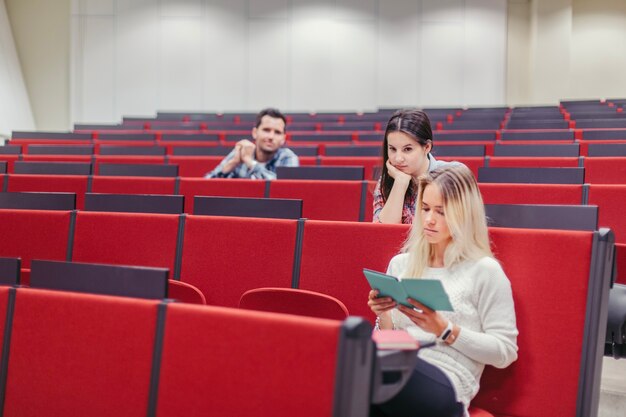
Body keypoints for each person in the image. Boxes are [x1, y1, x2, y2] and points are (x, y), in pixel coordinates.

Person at [368, 164, 518, 417]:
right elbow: (388, 343)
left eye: (441, 211)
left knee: (364, 370)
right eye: (425, 208)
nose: (429, 219)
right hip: (396, 373)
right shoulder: (401, 263)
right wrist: (383, 315)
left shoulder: (485, 271)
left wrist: (446, 330)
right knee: (355, 368)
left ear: (463, 215)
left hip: (446, 382)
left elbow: (505, 352)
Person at [373, 109, 458, 224]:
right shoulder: (386, 181)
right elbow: (381, 234)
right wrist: (400, 183)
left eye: (407, 149)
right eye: (392, 149)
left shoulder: (452, 175)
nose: (398, 158)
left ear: (427, 147)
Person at [204, 108, 299, 180]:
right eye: (266, 130)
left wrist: (250, 162)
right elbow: (207, 183)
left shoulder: (288, 157)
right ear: (255, 133)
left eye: (277, 132)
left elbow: (284, 188)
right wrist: (232, 163)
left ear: (283, 138)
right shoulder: (243, 151)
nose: (271, 136)